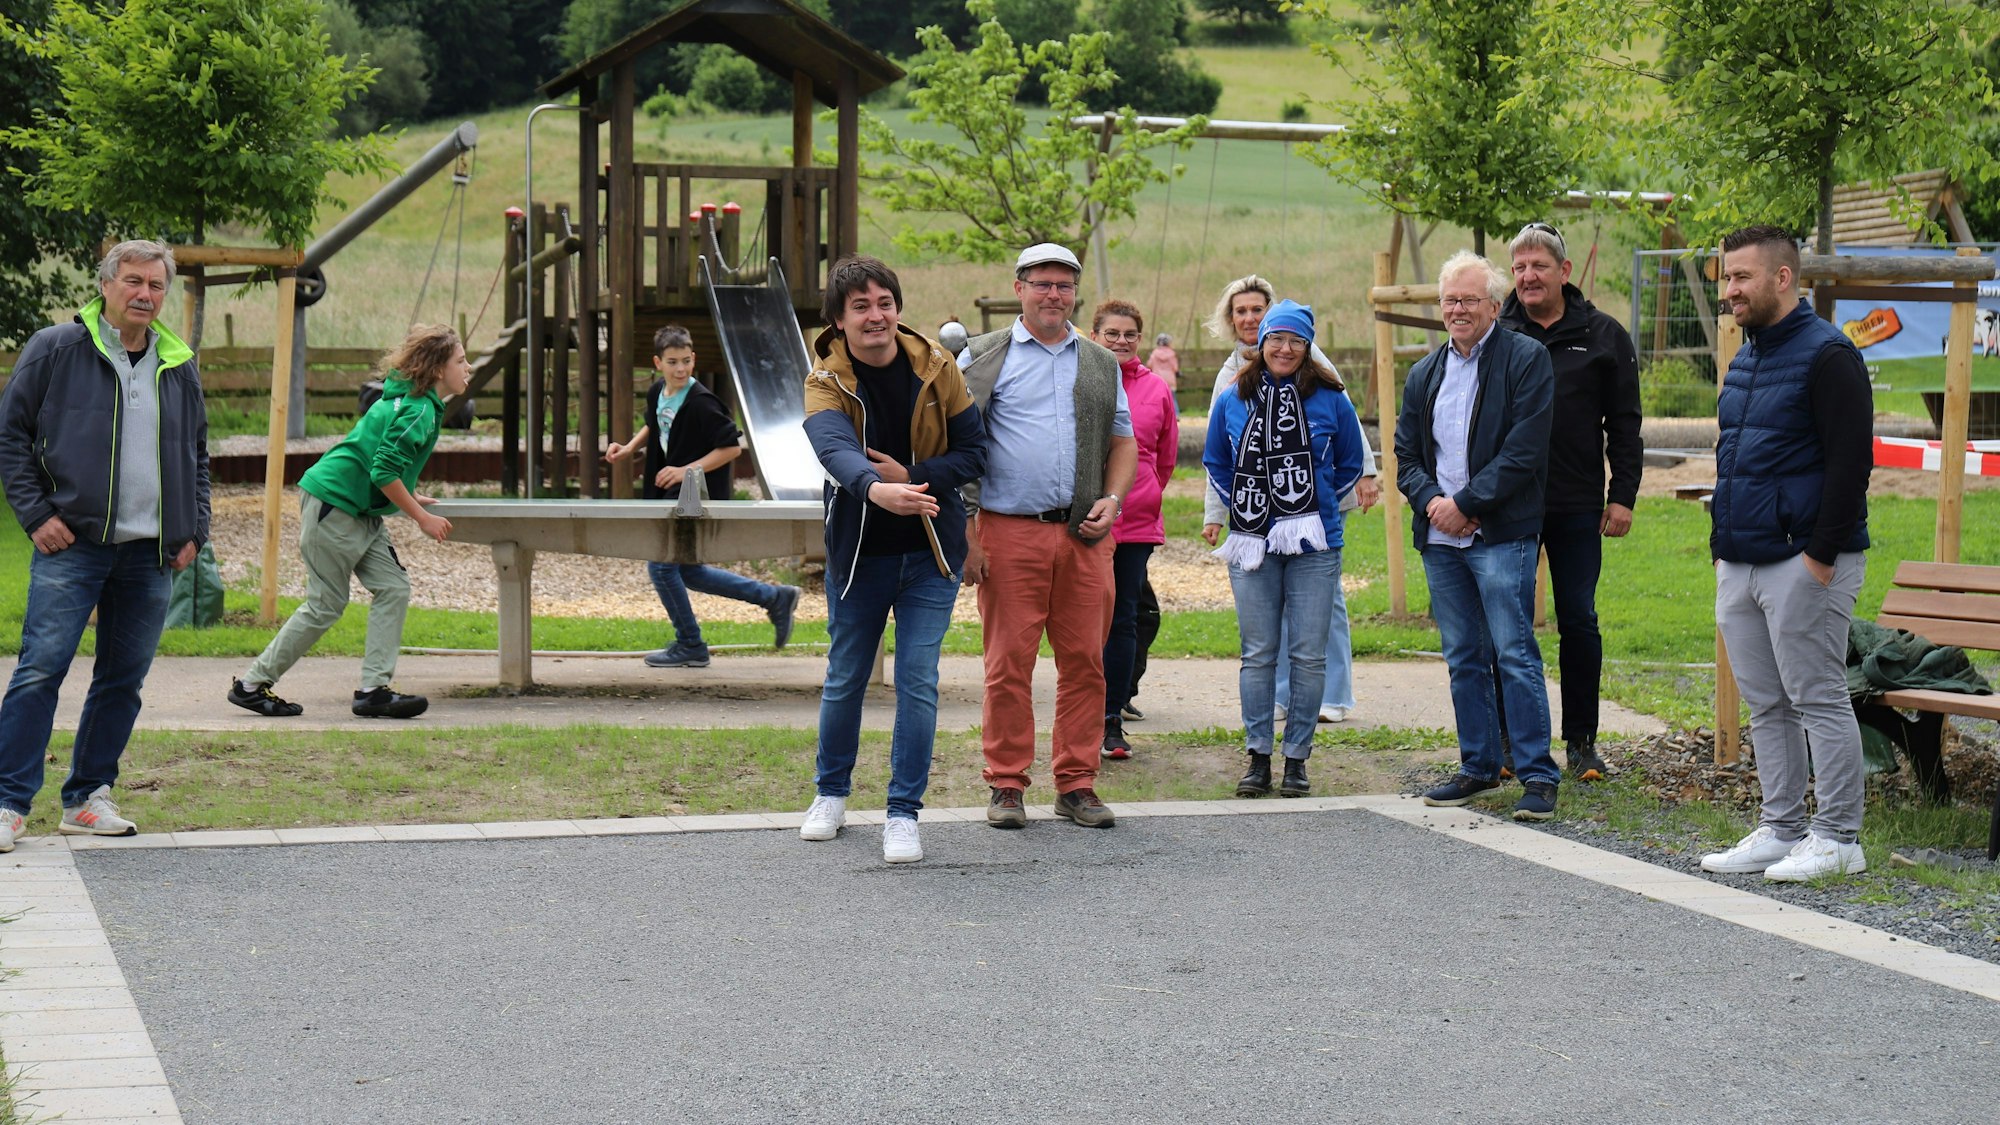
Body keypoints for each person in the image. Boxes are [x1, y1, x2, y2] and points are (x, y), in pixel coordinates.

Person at [0, 240, 209, 848]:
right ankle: (10, 802)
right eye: (134, 281)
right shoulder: (56, 348)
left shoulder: (178, 361)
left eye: (157, 286)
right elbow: (10, 436)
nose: (145, 294)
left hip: (152, 554)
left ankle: (88, 796)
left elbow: (197, 452)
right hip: (74, 546)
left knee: (123, 680)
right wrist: (37, 514)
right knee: (41, 672)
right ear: (106, 285)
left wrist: (195, 525)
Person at [1699, 225, 1873, 882]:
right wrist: (1723, 549)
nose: (1731, 288)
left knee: (1817, 696)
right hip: (1742, 559)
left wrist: (1820, 557)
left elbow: (1852, 461)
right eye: (1726, 277)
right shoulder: (1746, 359)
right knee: (1767, 703)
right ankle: (1782, 828)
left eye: (1742, 276)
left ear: (1783, 278)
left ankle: (1839, 838)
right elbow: (1736, 459)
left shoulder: (1829, 355)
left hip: (1804, 561)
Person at [799, 257, 986, 864]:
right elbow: (831, 447)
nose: (875, 315)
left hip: (930, 553)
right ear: (839, 319)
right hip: (859, 555)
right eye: (860, 306)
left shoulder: (939, 366)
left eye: (884, 302)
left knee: (918, 683)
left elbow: (974, 452)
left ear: (897, 309)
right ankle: (831, 794)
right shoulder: (824, 379)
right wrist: (875, 489)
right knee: (846, 677)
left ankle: (903, 812)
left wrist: (913, 477)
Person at [959, 242, 1137, 830]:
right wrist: (967, 532)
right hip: (1009, 533)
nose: (1053, 295)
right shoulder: (984, 358)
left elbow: (1122, 442)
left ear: (1075, 294)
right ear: (1020, 288)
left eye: (1064, 285)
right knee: (1009, 662)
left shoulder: (1098, 361)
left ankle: (1077, 783)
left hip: (1084, 536)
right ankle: (1007, 784)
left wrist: (1112, 500)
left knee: (1087, 662)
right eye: (1042, 284)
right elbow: (954, 450)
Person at [228, 323, 469, 721]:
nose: (468, 367)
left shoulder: (413, 401)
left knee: (393, 586)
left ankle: (373, 691)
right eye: (461, 361)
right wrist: (420, 516)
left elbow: (380, 459)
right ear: (439, 369)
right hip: (335, 505)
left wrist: (409, 490)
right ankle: (251, 686)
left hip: (360, 510)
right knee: (326, 605)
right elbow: (383, 471)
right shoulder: (417, 409)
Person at [1401, 251, 1562, 821]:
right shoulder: (1424, 374)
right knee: (1464, 655)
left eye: (1469, 299)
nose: (1458, 309)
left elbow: (1524, 450)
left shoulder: (1527, 360)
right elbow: (1406, 456)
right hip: (1442, 541)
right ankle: (1478, 766)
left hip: (1501, 533)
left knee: (1514, 652)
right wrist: (1434, 505)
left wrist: (1466, 505)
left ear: (1495, 304)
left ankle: (1538, 775)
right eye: (1450, 300)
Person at [1497, 221, 1643, 782]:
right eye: (1519, 268)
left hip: (1578, 502)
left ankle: (1582, 743)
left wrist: (1622, 495)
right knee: (1506, 622)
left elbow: (1624, 425)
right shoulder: (1497, 332)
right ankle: (1510, 742)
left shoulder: (1604, 335)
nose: (1528, 277)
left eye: (1539, 266)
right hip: (1506, 503)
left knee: (1578, 619)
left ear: (1565, 272)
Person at [1201, 275, 1380, 723]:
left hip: (1312, 514)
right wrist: (1217, 512)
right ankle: (1281, 697)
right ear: (1232, 319)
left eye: (1256, 309)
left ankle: (1333, 695)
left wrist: (1358, 478)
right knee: (1268, 616)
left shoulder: (1304, 355)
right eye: (1240, 311)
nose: (1249, 318)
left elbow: (1347, 424)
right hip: (1256, 520)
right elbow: (1220, 453)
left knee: (1322, 606)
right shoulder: (1230, 377)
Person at [605, 325, 801, 668]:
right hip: (670, 493)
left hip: (694, 495)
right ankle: (775, 598)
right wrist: (629, 448)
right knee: (689, 572)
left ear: (693, 359)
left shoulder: (703, 403)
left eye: (685, 361)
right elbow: (656, 422)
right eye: (672, 362)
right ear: (658, 363)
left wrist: (685, 470)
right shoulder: (657, 393)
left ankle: (690, 644)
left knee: (662, 567)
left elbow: (731, 449)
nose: (680, 369)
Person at [1092, 300, 1178, 761]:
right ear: (1095, 335)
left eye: (1130, 334)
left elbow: (1164, 459)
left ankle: (1111, 718)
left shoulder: (1157, 389)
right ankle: (1080, 713)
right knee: (1088, 618)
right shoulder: (1084, 379)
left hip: (1136, 520)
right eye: (1112, 333)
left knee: (1124, 616)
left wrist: (1141, 493)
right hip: (1086, 517)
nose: (1121, 341)